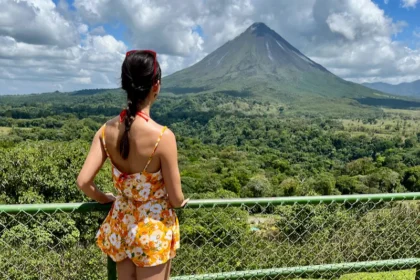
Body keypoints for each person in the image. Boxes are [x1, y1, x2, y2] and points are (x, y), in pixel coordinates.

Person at [77, 50, 188, 280]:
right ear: (155, 85)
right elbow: (176, 200)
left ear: (125, 84)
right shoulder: (163, 137)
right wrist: (181, 201)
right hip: (152, 232)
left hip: (121, 227)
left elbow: (83, 181)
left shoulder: (106, 130)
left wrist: (104, 198)